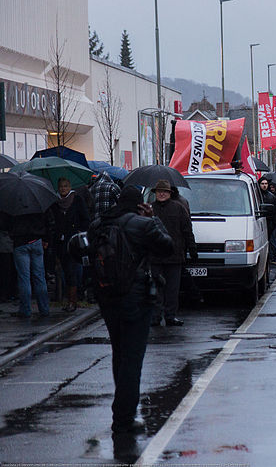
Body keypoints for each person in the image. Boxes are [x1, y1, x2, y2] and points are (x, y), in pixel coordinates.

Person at [89, 185, 173, 434]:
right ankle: (123, 418)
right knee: (133, 358)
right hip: (136, 297)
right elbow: (167, 246)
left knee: (119, 352)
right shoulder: (143, 224)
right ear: (139, 204)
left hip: (107, 295)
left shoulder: (98, 224)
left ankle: (122, 412)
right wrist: (153, 219)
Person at [150, 180, 197, 327]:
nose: (162, 194)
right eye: (159, 191)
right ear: (155, 193)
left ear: (170, 193)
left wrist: (192, 249)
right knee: (156, 288)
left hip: (174, 255)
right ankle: (155, 316)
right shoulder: (149, 209)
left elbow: (187, 230)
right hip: (155, 256)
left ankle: (170, 316)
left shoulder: (179, 208)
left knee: (172, 289)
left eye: (165, 191)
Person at [0, 209, 54, 318]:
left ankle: (25, 309)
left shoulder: (12, 204)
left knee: (24, 278)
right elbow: (49, 221)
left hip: (20, 242)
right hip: (36, 240)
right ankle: (44, 308)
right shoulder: (38, 203)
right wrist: (46, 238)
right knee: (39, 276)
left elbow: (4, 224)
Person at [52, 177, 90, 312]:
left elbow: (86, 218)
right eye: (61, 186)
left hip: (74, 242)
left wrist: (80, 231)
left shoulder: (77, 200)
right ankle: (68, 298)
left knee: (72, 271)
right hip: (60, 242)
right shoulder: (55, 203)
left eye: (66, 186)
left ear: (70, 187)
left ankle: (72, 301)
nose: (63, 188)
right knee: (65, 271)